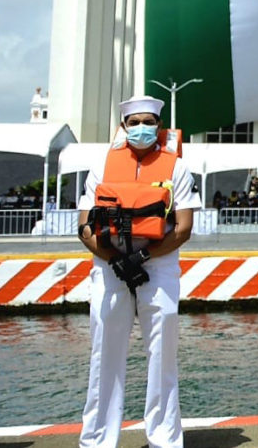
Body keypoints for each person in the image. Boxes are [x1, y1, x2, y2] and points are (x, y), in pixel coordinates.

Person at [76, 95, 201, 448]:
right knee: (104, 355)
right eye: (135, 123)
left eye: (149, 122)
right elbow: (84, 225)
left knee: (162, 355)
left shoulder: (176, 168)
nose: (142, 129)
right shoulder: (102, 166)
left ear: (159, 128)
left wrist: (142, 258)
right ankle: (97, 440)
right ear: (123, 127)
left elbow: (183, 227)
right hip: (108, 267)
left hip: (158, 268)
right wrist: (114, 259)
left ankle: (164, 438)